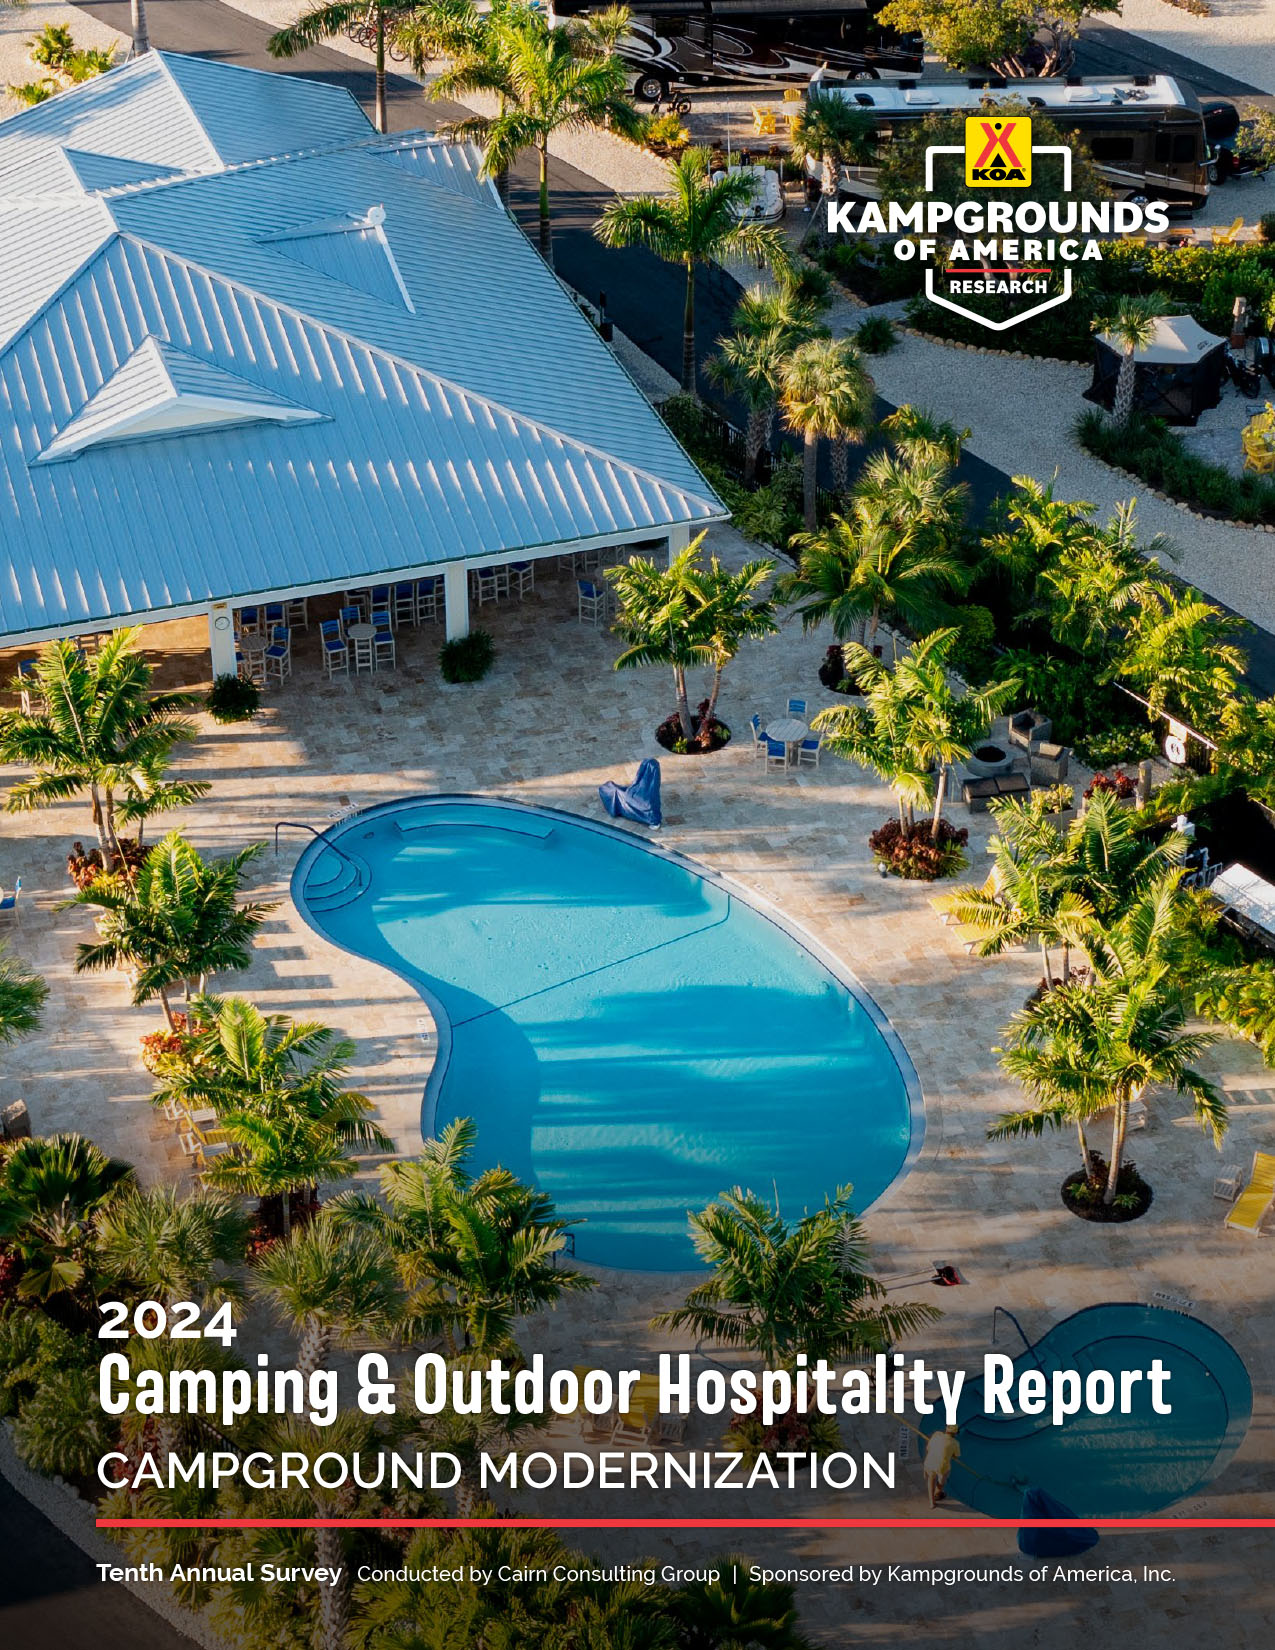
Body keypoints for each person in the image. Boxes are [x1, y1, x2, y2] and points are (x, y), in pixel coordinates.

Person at [924, 1424, 960, 1506]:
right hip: (942, 1467)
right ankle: (937, 1492)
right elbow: (956, 1456)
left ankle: (932, 1502)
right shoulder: (955, 1443)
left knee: (931, 1479)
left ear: (946, 1429)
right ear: (955, 1434)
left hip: (929, 1463)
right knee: (941, 1480)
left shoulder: (936, 1435)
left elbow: (928, 1448)